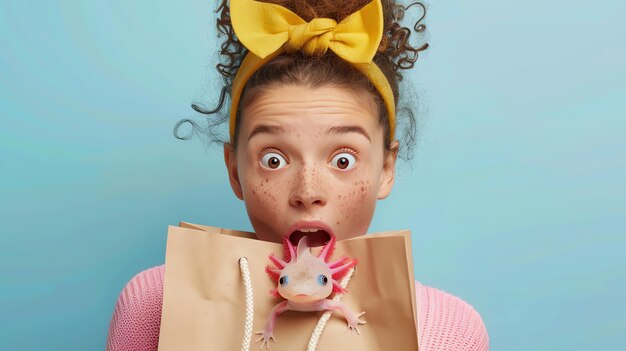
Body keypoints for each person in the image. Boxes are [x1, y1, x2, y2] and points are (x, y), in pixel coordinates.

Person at [105, 0, 489, 350]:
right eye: (274, 159)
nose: (308, 192)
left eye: (342, 160)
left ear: (385, 169)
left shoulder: (451, 330)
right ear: (234, 171)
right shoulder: (153, 303)